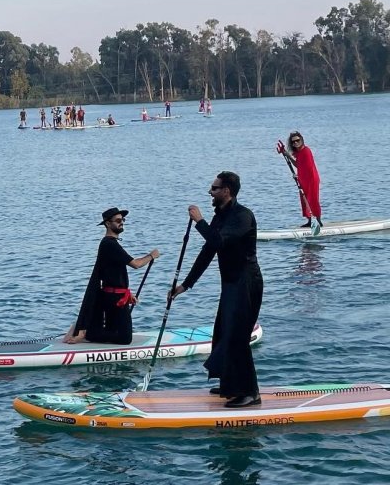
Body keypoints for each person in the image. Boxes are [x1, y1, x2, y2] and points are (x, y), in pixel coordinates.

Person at [170, 171, 263, 409]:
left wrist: (199, 221)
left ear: (227, 191)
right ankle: (230, 385)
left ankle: (251, 392)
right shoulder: (221, 217)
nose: (209, 192)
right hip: (231, 283)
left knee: (238, 336)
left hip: (246, 283)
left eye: (214, 188)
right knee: (222, 332)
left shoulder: (243, 216)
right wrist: (185, 285)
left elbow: (219, 242)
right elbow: (208, 252)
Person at [64, 207, 160, 345]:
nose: (122, 223)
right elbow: (136, 264)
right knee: (125, 338)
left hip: (114, 296)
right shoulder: (110, 245)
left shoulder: (110, 244)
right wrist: (152, 256)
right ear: (108, 224)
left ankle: (87, 329)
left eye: (123, 220)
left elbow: (112, 273)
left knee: (116, 332)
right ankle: (87, 332)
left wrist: (127, 293)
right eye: (118, 220)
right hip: (114, 299)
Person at [277, 131, 322, 229]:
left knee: (312, 199)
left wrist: (300, 175)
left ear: (302, 140)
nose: (296, 143)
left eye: (297, 140)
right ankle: (310, 221)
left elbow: (308, 168)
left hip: (311, 179)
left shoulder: (306, 151)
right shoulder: (299, 153)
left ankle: (318, 221)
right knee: (305, 200)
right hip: (303, 179)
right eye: (293, 142)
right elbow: (298, 165)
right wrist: (286, 154)